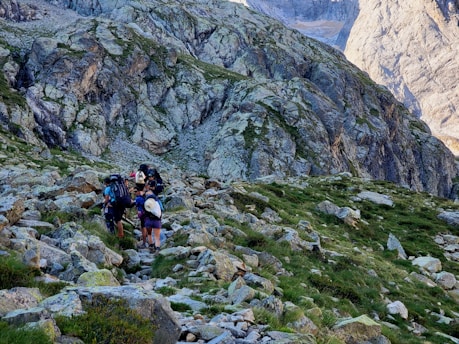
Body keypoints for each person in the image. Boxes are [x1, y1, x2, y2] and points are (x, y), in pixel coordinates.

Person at [144, 180, 162, 253]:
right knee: (157, 237)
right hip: (156, 220)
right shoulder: (156, 201)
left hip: (148, 220)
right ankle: (157, 249)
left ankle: (151, 246)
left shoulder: (146, 203)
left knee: (149, 234)